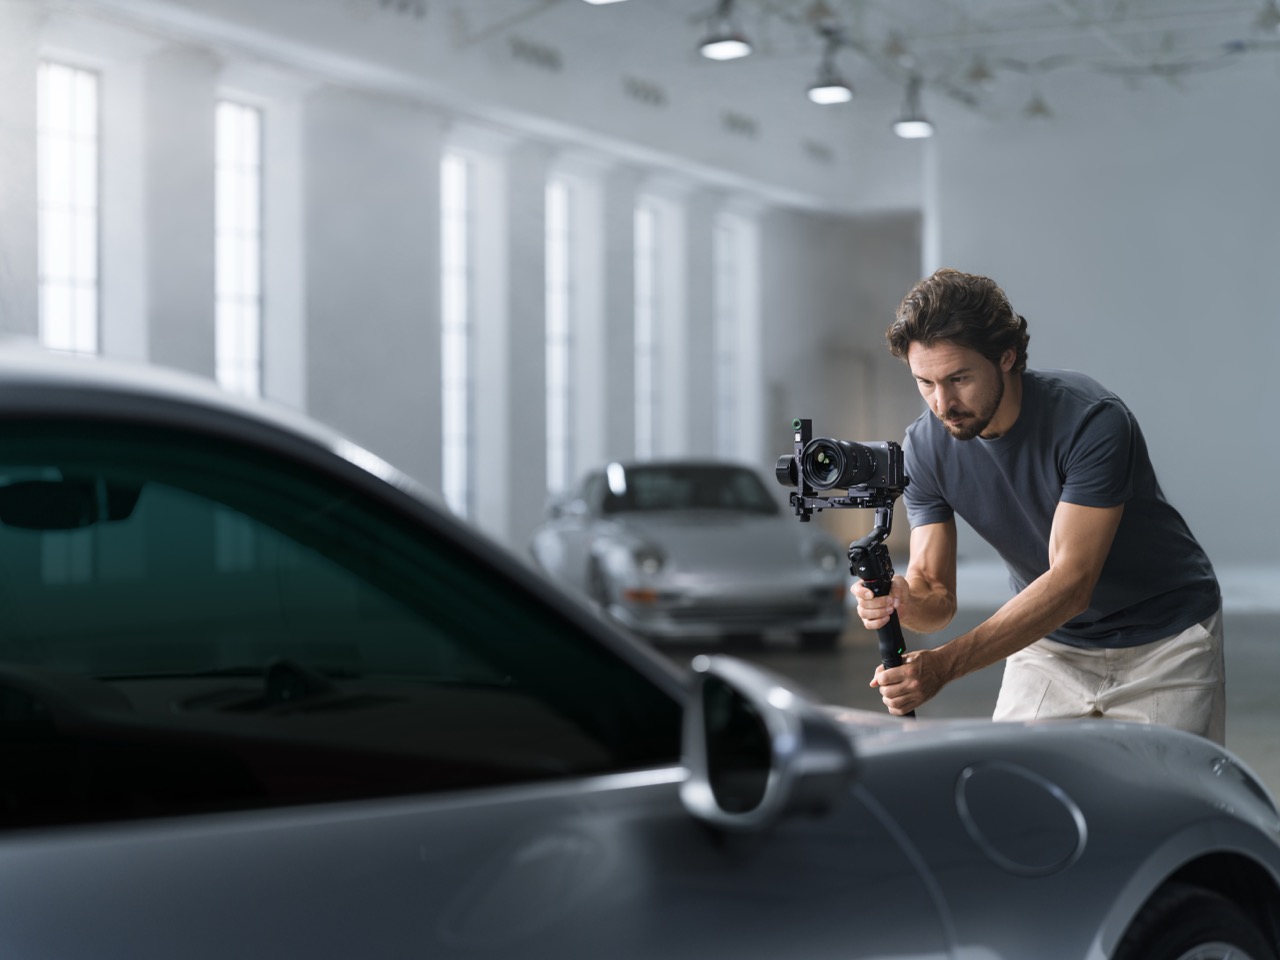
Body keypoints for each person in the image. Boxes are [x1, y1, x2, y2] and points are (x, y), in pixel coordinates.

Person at [854, 268, 1224, 743]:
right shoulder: (925, 448)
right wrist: (904, 600)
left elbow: (1071, 585)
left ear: (1006, 357)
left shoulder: (1091, 421)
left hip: (1165, 638)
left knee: (1162, 807)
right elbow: (937, 598)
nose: (942, 403)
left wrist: (943, 666)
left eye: (958, 378)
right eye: (925, 382)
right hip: (1051, 645)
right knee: (1013, 800)